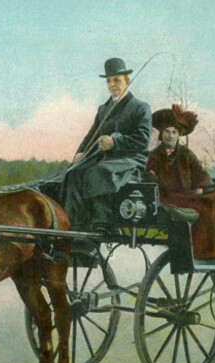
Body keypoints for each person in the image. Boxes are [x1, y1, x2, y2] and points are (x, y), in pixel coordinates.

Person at [146, 105, 215, 265]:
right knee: (212, 204)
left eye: (174, 132)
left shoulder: (185, 153)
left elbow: (200, 172)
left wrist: (200, 186)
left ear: (178, 135)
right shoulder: (156, 156)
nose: (170, 136)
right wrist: (152, 177)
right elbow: (148, 176)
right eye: (167, 132)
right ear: (161, 135)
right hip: (171, 197)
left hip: (189, 194)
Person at [63, 57, 151, 232]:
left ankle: (102, 221)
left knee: (97, 171)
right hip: (106, 158)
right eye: (109, 81)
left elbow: (143, 140)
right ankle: (76, 223)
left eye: (116, 80)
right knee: (73, 173)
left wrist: (115, 141)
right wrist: (80, 152)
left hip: (131, 160)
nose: (112, 85)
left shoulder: (140, 107)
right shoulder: (103, 109)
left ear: (127, 81)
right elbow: (91, 135)